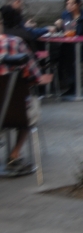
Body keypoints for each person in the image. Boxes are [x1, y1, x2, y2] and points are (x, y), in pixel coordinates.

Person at [0, 29, 47, 174]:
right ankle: (15, 153)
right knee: (29, 109)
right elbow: (36, 76)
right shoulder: (15, 42)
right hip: (15, 111)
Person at [54, 0, 83, 97]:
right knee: (63, 51)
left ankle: (73, 86)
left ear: (79, 4)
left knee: (68, 54)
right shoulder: (65, 15)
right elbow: (64, 31)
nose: (69, 6)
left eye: (72, 3)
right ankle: (69, 84)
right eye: (67, 4)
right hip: (70, 45)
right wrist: (59, 26)